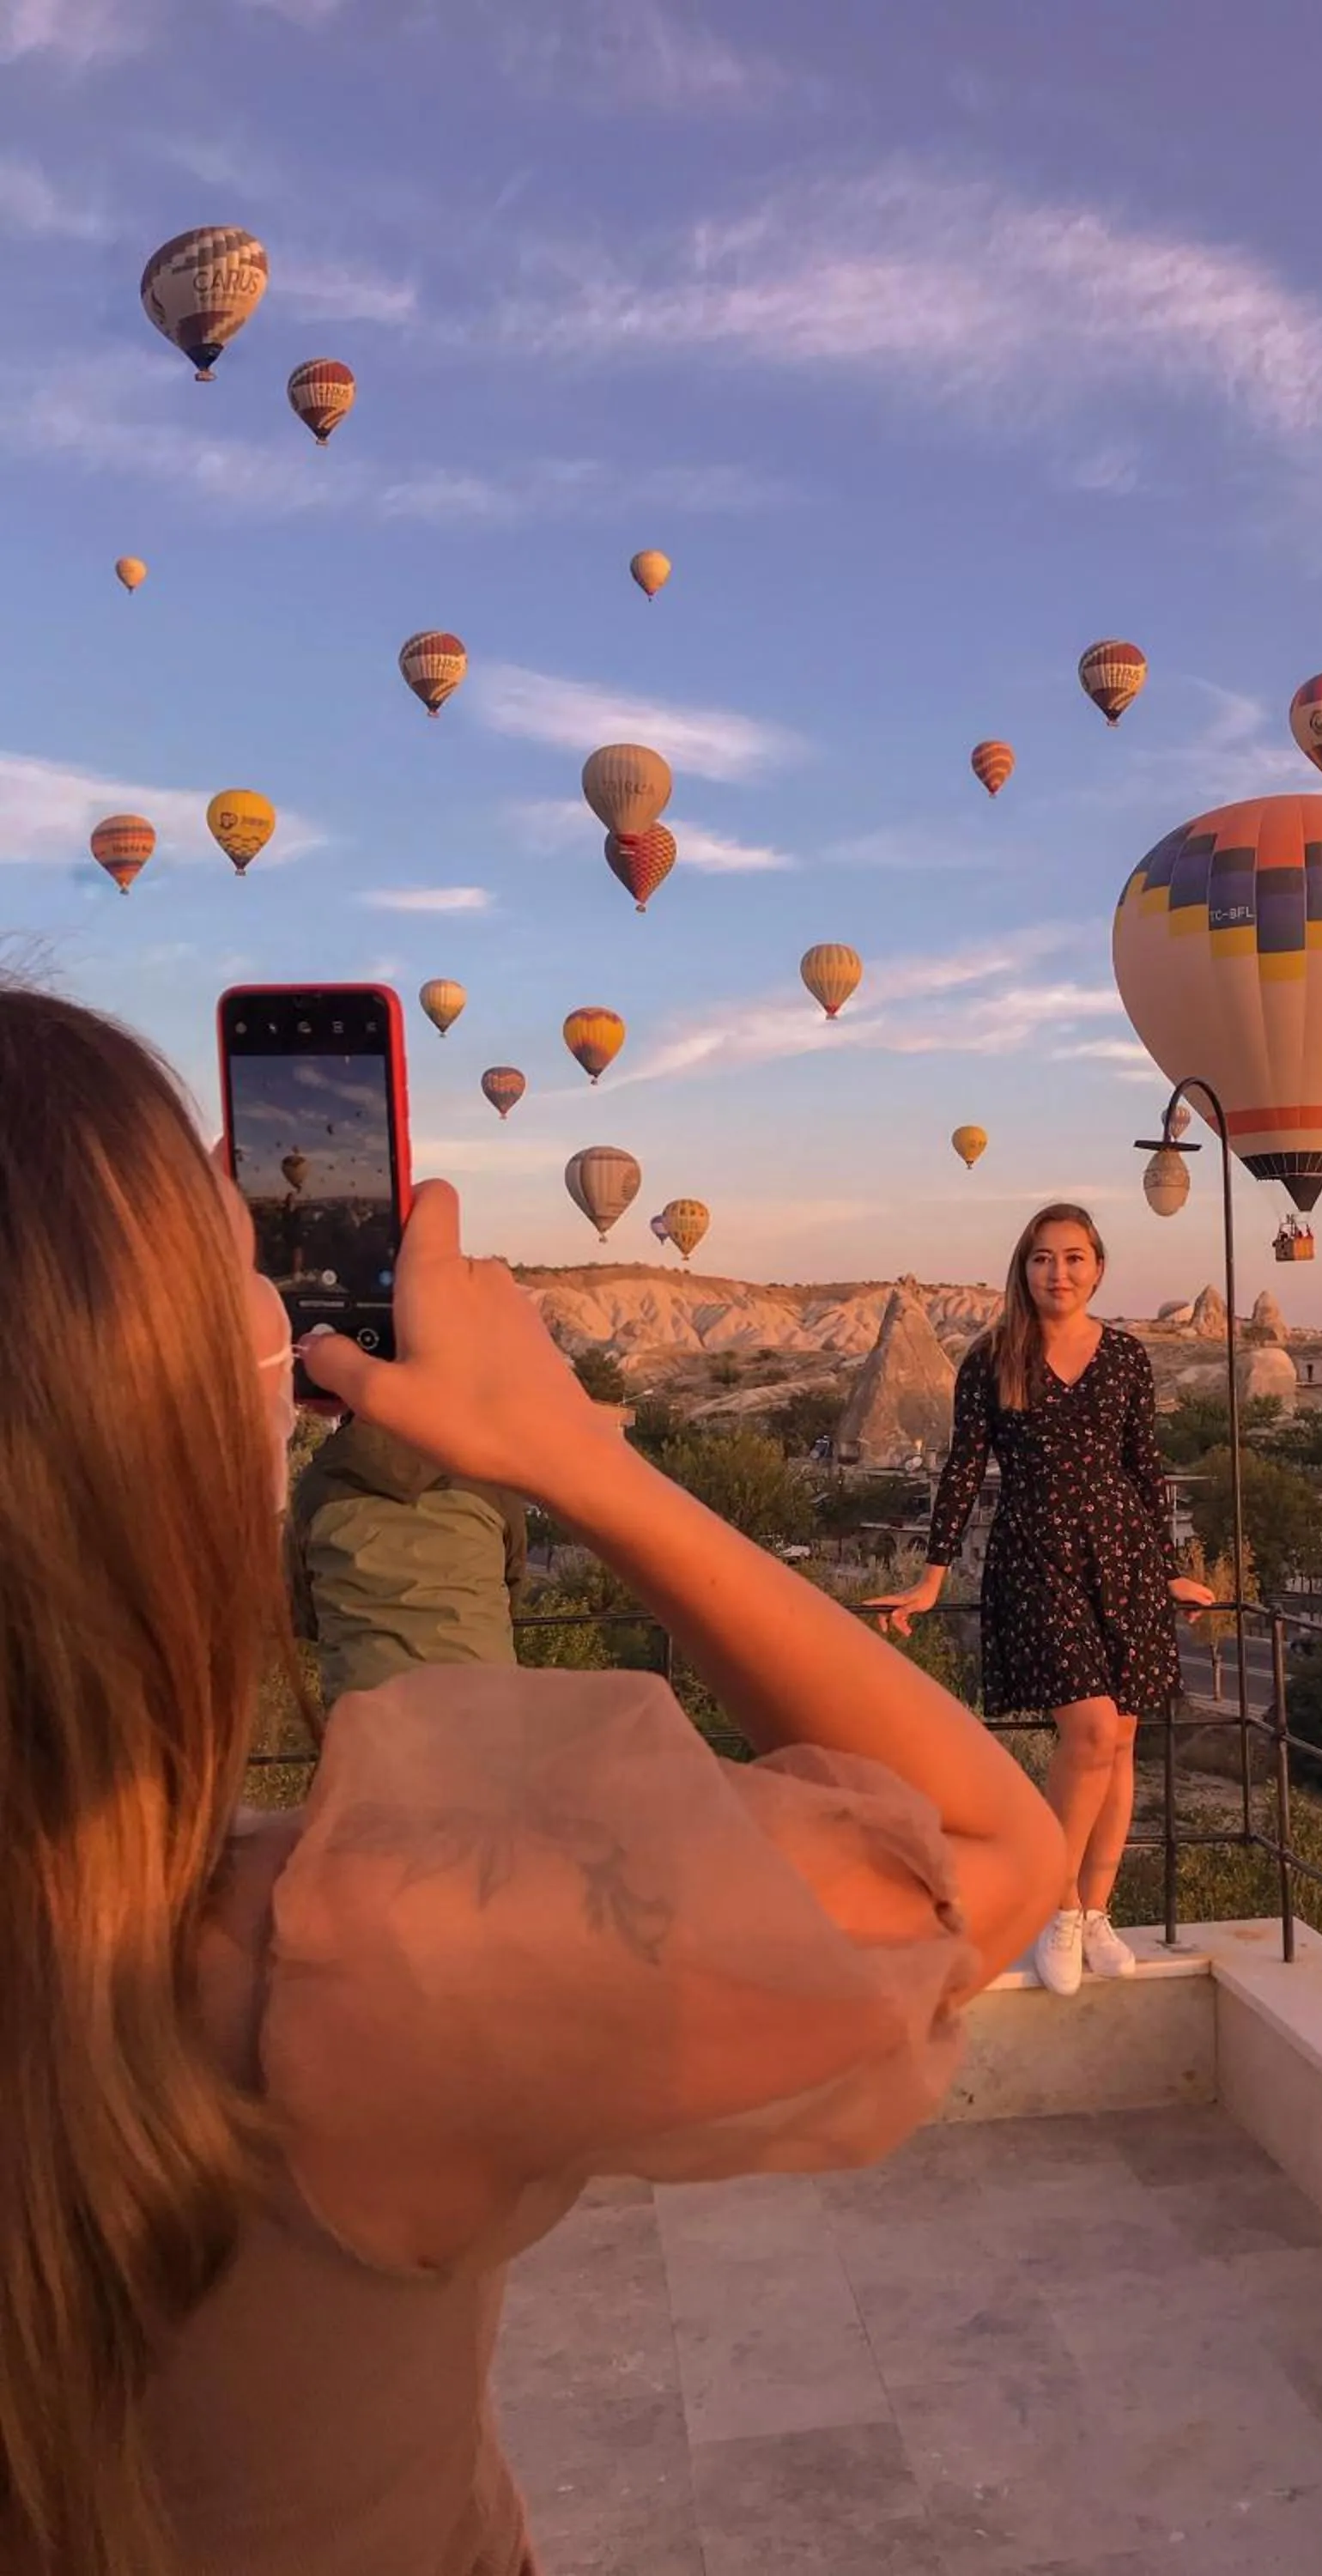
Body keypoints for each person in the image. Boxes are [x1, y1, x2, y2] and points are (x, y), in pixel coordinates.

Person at [0, 988, 1064, 2576]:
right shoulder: (363, 1969)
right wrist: (573, 1456)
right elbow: (991, 1844)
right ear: (169, 1430)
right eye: (244, 1290)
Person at [869, 1206, 1213, 1996]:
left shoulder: (1126, 1356)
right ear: (1022, 1269)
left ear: (1099, 1267)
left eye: (1075, 1258)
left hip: (1123, 1555)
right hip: (1035, 1556)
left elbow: (1143, 1469)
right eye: (1042, 1259)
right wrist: (932, 1575)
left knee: (1122, 1744)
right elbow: (963, 1469)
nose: (1058, 1273)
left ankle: (1096, 1912)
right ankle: (1052, 1908)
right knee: (1089, 1732)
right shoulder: (993, 1359)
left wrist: (1166, 1568)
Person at [285, 1413, 528, 1707]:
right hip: (484, 1704)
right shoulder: (488, 1479)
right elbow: (511, 1584)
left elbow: (303, 1612)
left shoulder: (315, 1491)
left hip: (366, 1715)